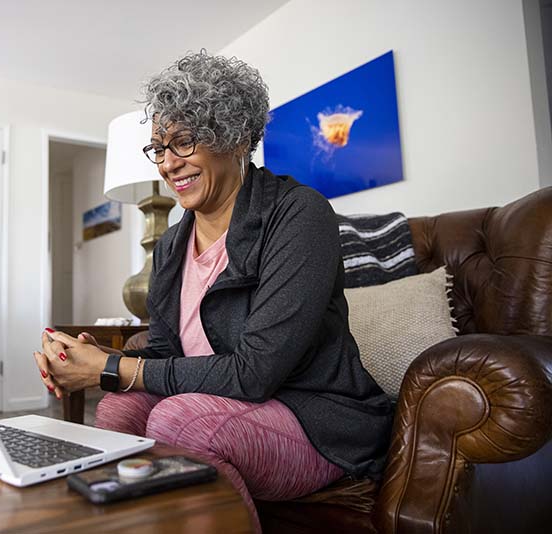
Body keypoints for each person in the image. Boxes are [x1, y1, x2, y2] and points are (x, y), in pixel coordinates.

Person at [34, 50, 393, 532]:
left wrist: (115, 367)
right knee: (120, 404)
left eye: (183, 142)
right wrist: (91, 360)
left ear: (236, 136)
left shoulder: (299, 216)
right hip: (223, 404)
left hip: (314, 418)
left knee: (179, 420)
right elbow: (163, 352)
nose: (167, 164)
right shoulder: (171, 246)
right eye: (159, 148)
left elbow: (256, 372)